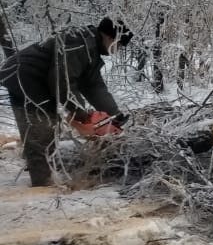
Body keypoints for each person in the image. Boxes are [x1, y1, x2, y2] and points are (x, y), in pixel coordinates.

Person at [0, 17, 132, 187]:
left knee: (46, 127)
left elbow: (94, 86)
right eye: (119, 45)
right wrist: (79, 112)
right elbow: (63, 81)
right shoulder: (79, 44)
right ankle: (44, 186)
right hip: (26, 77)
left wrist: (114, 114)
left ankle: (41, 172)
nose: (118, 49)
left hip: (32, 80)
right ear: (109, 37)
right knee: (44, 129)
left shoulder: (89, 47)